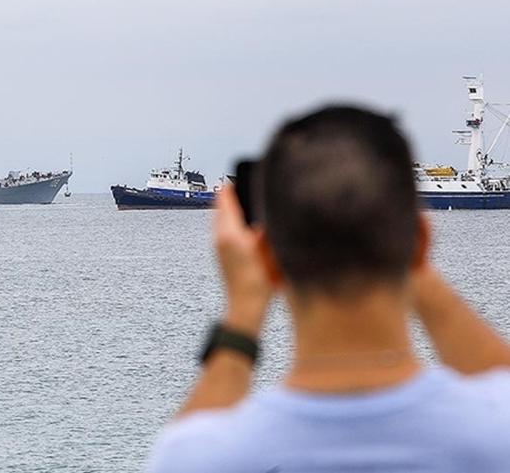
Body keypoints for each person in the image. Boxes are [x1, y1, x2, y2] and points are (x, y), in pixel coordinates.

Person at [146, 106, 510, 472]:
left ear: (267, 259)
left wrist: (244, 306)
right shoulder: (496, 436)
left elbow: (194, 440)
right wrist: (404, 251)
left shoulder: (197, 457)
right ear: (420, 242)